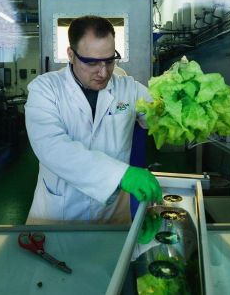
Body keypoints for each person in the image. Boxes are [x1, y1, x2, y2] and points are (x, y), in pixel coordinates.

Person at [25, 15, 161, 224]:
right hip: (59, 214)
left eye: (109, 60)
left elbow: (161, 119)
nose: (103, 72)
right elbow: (52, 147)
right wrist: (121, 175)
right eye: (91, 62)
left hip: (112, 215)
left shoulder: (129, 88)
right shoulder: (45, 89)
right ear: (71, 54)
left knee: (116, 256)